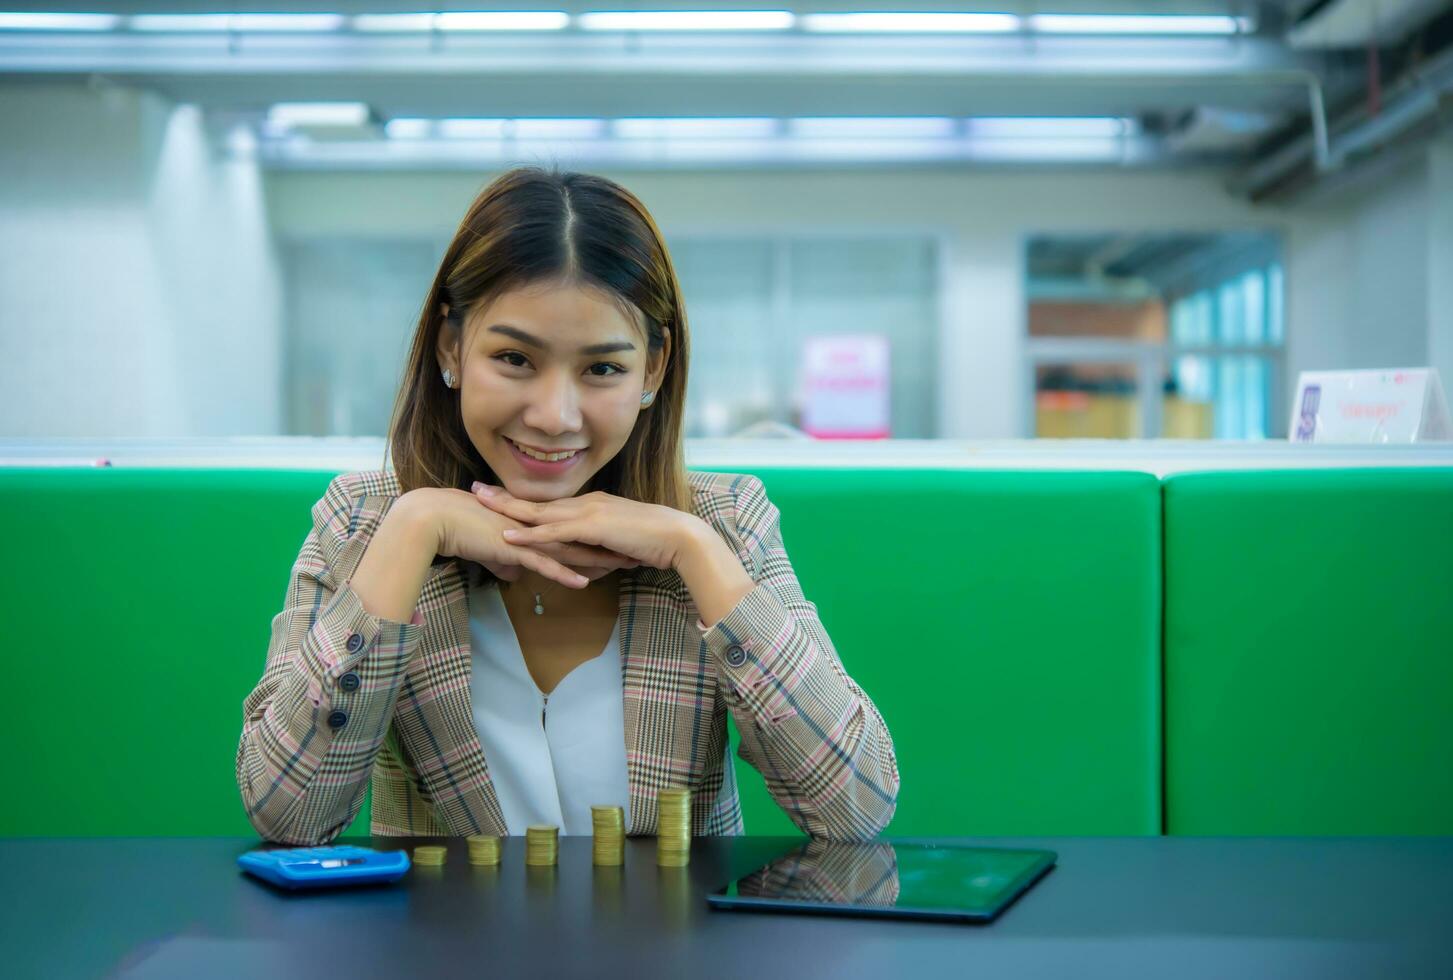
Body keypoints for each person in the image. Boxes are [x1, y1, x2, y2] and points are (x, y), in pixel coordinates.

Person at [236, 166, 899, 846]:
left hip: (675, 951)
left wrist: (695, 552)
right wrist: (411, 531)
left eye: (602, 368)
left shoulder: (724, 521)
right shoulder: (363, 525)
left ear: (654, 369)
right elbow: (289, 816)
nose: (554, 416)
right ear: (450, 347)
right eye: (515, 359)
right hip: (440, 951)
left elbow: (855, 809)